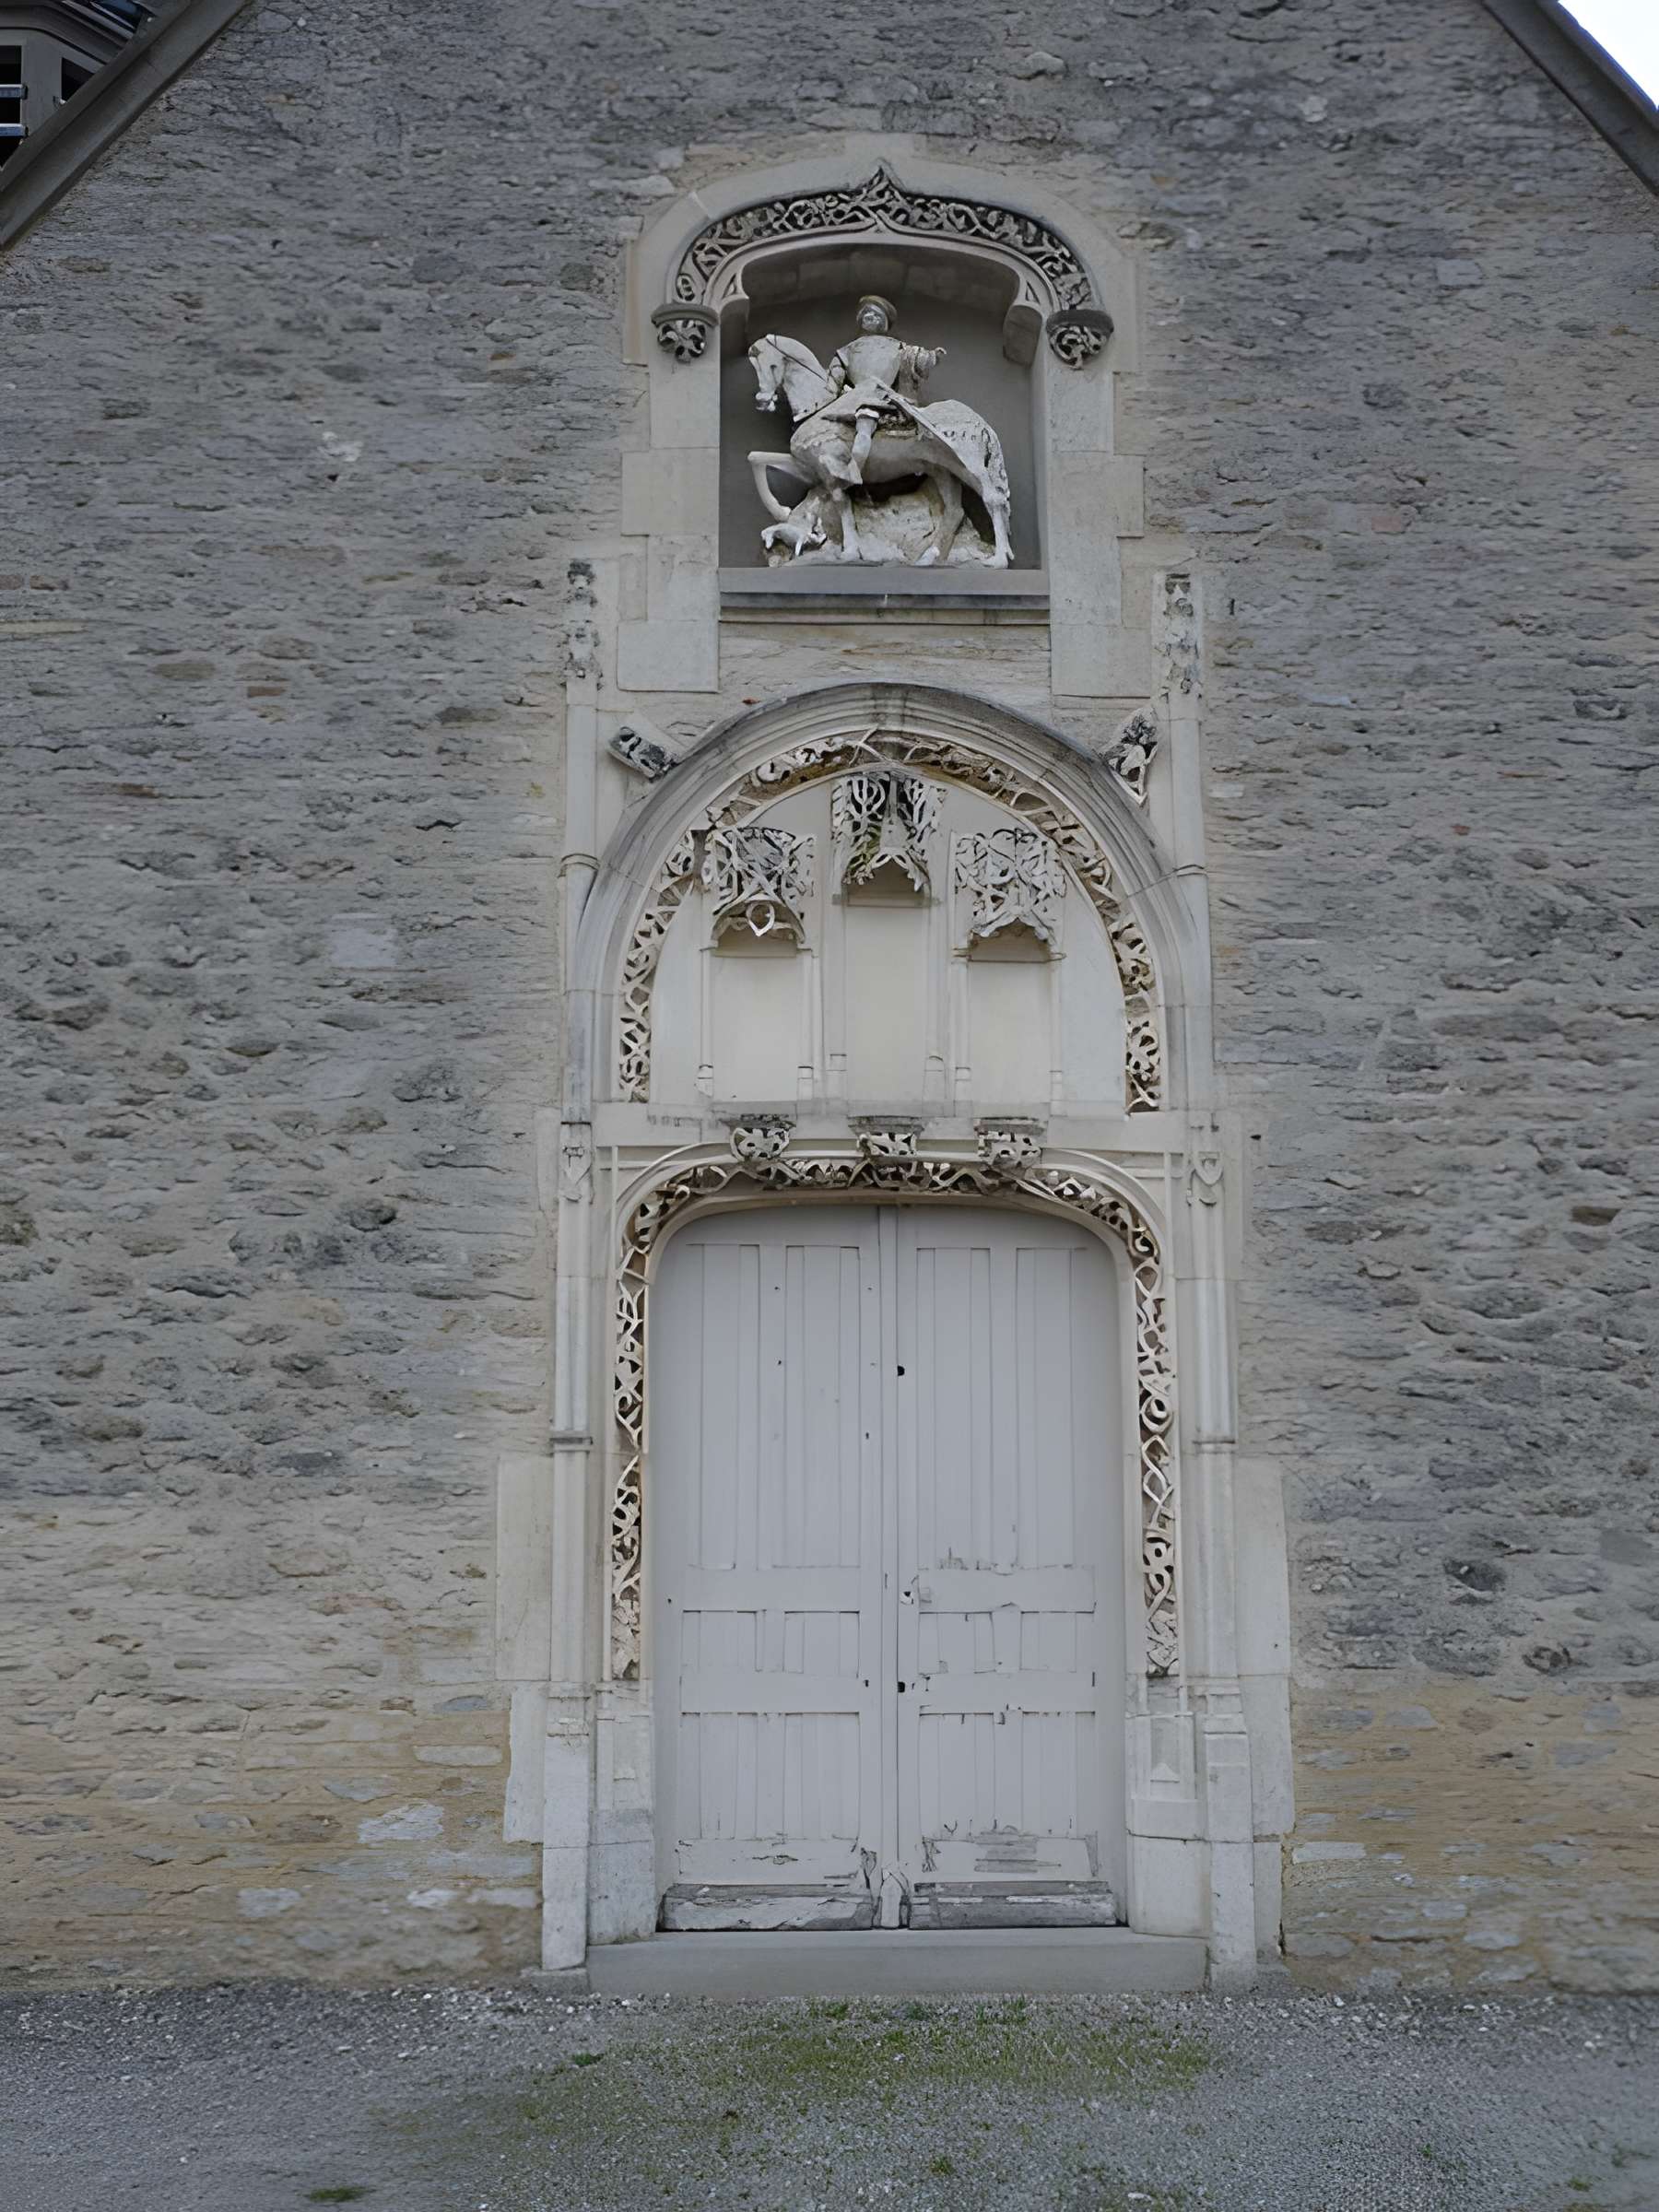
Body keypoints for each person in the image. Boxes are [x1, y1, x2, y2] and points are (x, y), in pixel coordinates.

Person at [813, 295, 945, 485]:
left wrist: (932, 357)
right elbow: (835, 376)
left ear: (883, 321)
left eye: (875, 314)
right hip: (854, 396)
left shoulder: (896, 346)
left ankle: (854, 470)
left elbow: (913, 357)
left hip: (880, 396)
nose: (870, 317)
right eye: (866, 313)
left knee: (865, 422)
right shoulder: (848, 350)